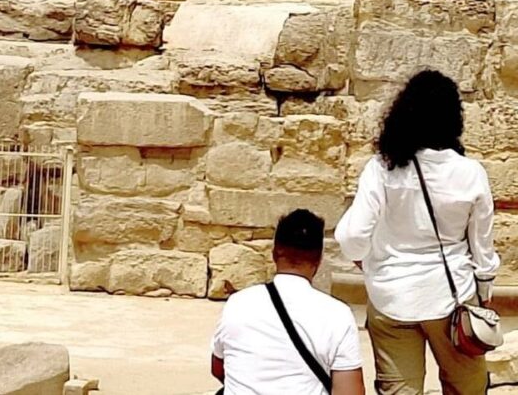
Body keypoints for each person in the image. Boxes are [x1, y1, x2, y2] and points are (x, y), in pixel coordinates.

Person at [336, 70, 498, 395]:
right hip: (452, 296)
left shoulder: (382, 168)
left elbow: (351, 236)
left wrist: (365, 260)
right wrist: (484, 290)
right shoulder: (470, 173)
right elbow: (482, 247)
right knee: (467, 388)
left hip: (392, 296)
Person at [211, 210, 364, 395]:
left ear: (274, 253)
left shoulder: (237, 303)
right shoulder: (338, 314)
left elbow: (218, 367)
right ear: (319, 259)